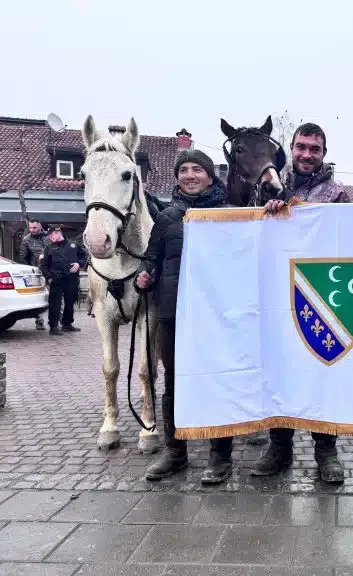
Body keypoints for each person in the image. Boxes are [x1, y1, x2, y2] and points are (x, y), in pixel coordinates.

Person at [242, 123, 348, 485]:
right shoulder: (268, 183)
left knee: (323, 372)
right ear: (291, 147)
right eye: (301, 146)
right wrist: (267, 210)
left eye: (314, 149)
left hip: (320, 294)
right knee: (279, 372)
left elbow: (347, 241)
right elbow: (248, 232)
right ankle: (280, 447)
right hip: (277, 294)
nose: (307, 154)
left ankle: (326, 451)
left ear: (323, 153)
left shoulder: (337, 193)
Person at [136, 149, 232, 482]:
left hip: (216, 317)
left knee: (219, 382)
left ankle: (220, 457)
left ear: (210, 175)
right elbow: (152, 257)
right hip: (174, 313)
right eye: (183, 170)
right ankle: (175, 452)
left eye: (197, 169)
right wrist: (145, 275)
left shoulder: (229, 215)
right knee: (174, 384)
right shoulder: (166, 218)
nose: (190, 175)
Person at [40, 226, 86, 335]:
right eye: (49, 236)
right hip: (56, 279)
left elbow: (84, 256)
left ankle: (67, 324)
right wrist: (49, 278)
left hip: (72, 278)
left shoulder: (73, 245)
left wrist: (79, 264)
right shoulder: (49, 248)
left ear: (59, 233)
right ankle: (53, 326)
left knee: (70, 301)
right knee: (55, 303)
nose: (51, 238)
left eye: (52, 235)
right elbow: (44, 265)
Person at [19, 219, 51, 330]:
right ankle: (39, 321)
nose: (32, 230)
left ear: (40, 226)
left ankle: (57, 321)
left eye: (35, 228)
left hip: (52, 271)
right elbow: (23, 258)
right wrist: (29, 271)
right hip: (36, 272)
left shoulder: (49, 237)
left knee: (56, 296)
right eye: (30, 227)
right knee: (40, 297)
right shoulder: (26, 240)